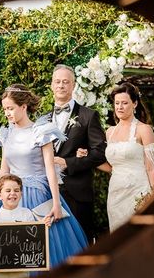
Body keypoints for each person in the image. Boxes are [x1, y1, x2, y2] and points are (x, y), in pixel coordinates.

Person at [0, 83, 88, 267]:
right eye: (5, 109)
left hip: (39, 197)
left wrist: (56, 204)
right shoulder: (6, 134)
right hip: (12, 197)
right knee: (16, 253)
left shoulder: (41, 132)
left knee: (44, 249)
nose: (7, 113)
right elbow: (3, 174)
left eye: (10, 108)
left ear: (23, 107)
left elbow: (50, 170)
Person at [44, 64, 107, 242]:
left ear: (73, 85)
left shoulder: (88, 116)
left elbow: (100, 153)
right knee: (54, 244)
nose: (61, 85)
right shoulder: (43, 119)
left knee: (81, 244)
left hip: (77, 193)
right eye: (57, 82)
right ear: (51, 85)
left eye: (65, 82)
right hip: (48, 192)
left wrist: (68, 163)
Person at [92, 82, 154, 232]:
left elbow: (152, 168)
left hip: (139, 191)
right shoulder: (109, 132)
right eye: (117, 103)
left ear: (135, 104)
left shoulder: (144, 130)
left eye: (124, 103)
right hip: (116, 194)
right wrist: (88, 158)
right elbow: (111, 167)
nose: (120, 107)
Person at [0, 174, 36, 278]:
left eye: (16, 190)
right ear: (0, 195)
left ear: (21, 194)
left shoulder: (27, 214)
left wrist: (42, 227)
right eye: (8, 190)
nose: (12, 193)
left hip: (21, 266)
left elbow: (33, 238)